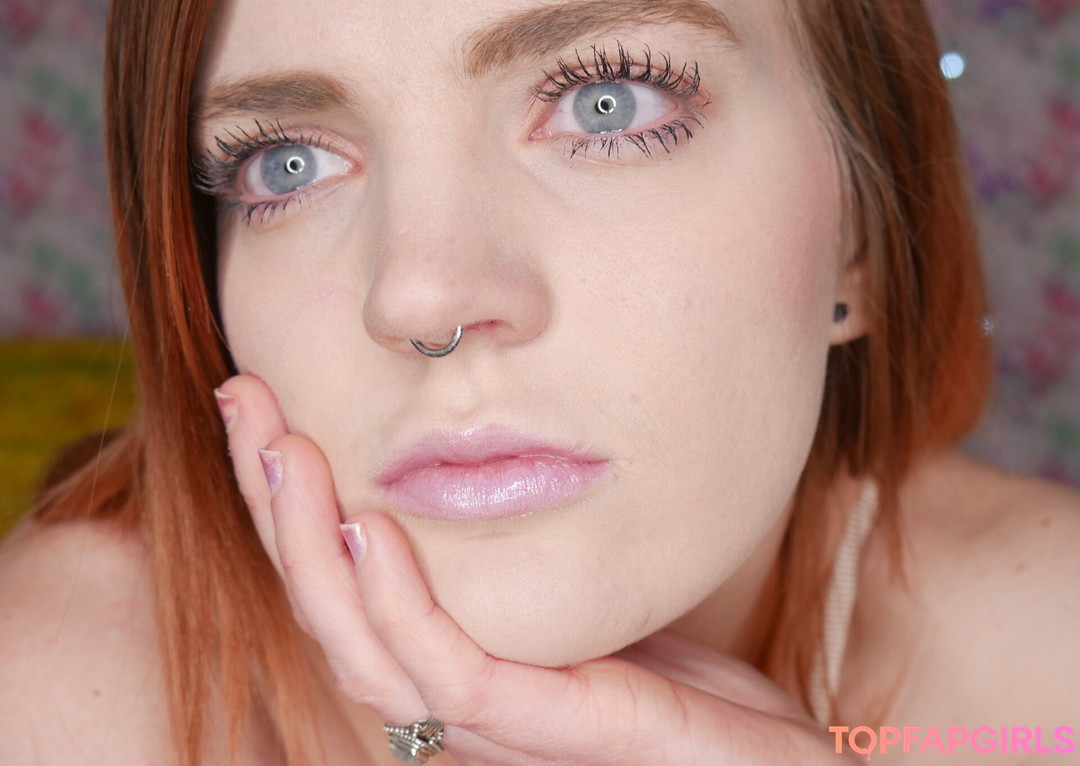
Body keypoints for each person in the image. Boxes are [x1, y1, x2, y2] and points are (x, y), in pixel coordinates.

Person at [1, 0, 1078, 763]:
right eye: (287, 163)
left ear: (863, 239)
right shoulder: (63, 692)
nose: (420, 298)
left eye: (606, 103)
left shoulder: (1048, 678)